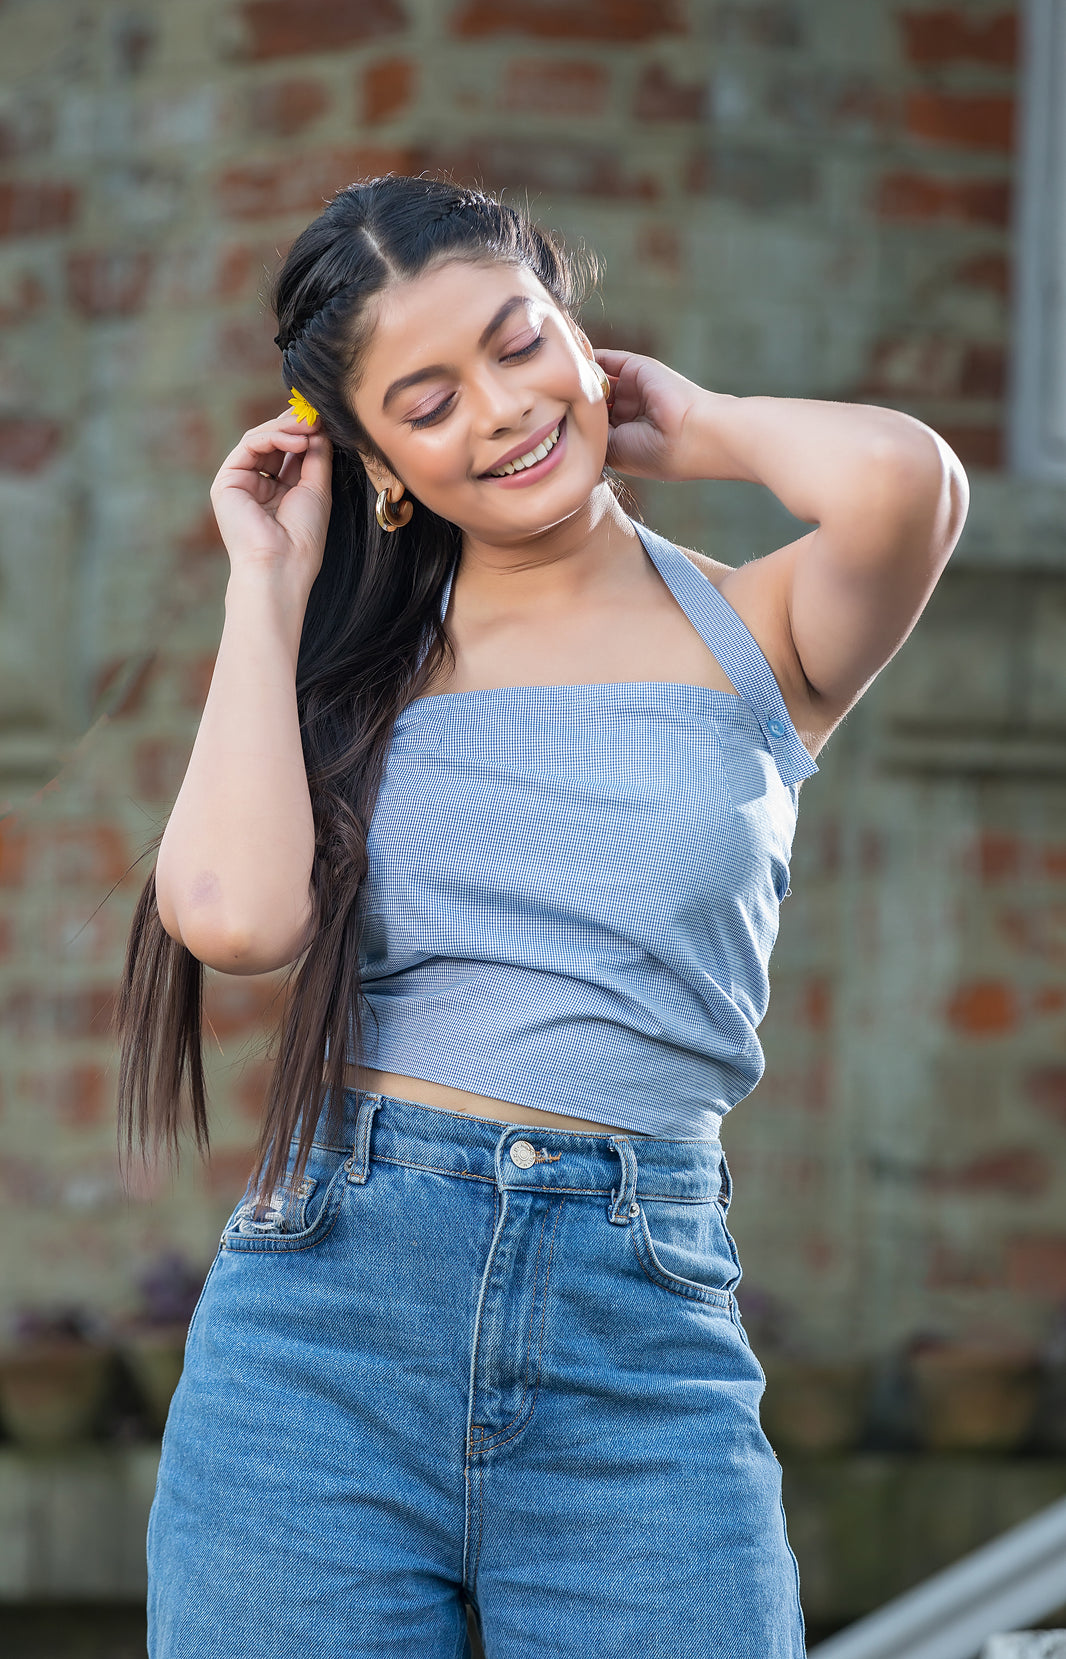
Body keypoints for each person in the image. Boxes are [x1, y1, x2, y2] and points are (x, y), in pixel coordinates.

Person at [115, 175, 969, 1658]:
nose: (500, 412)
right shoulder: (349, 674)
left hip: (637, 1332)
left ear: (580, 334)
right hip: (326, 1332)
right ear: (377, 460)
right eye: (426, 401)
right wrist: (267, 586)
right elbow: (236, 920)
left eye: (519, 345)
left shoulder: (757, 629)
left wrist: (685, 422)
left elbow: (907, 484)